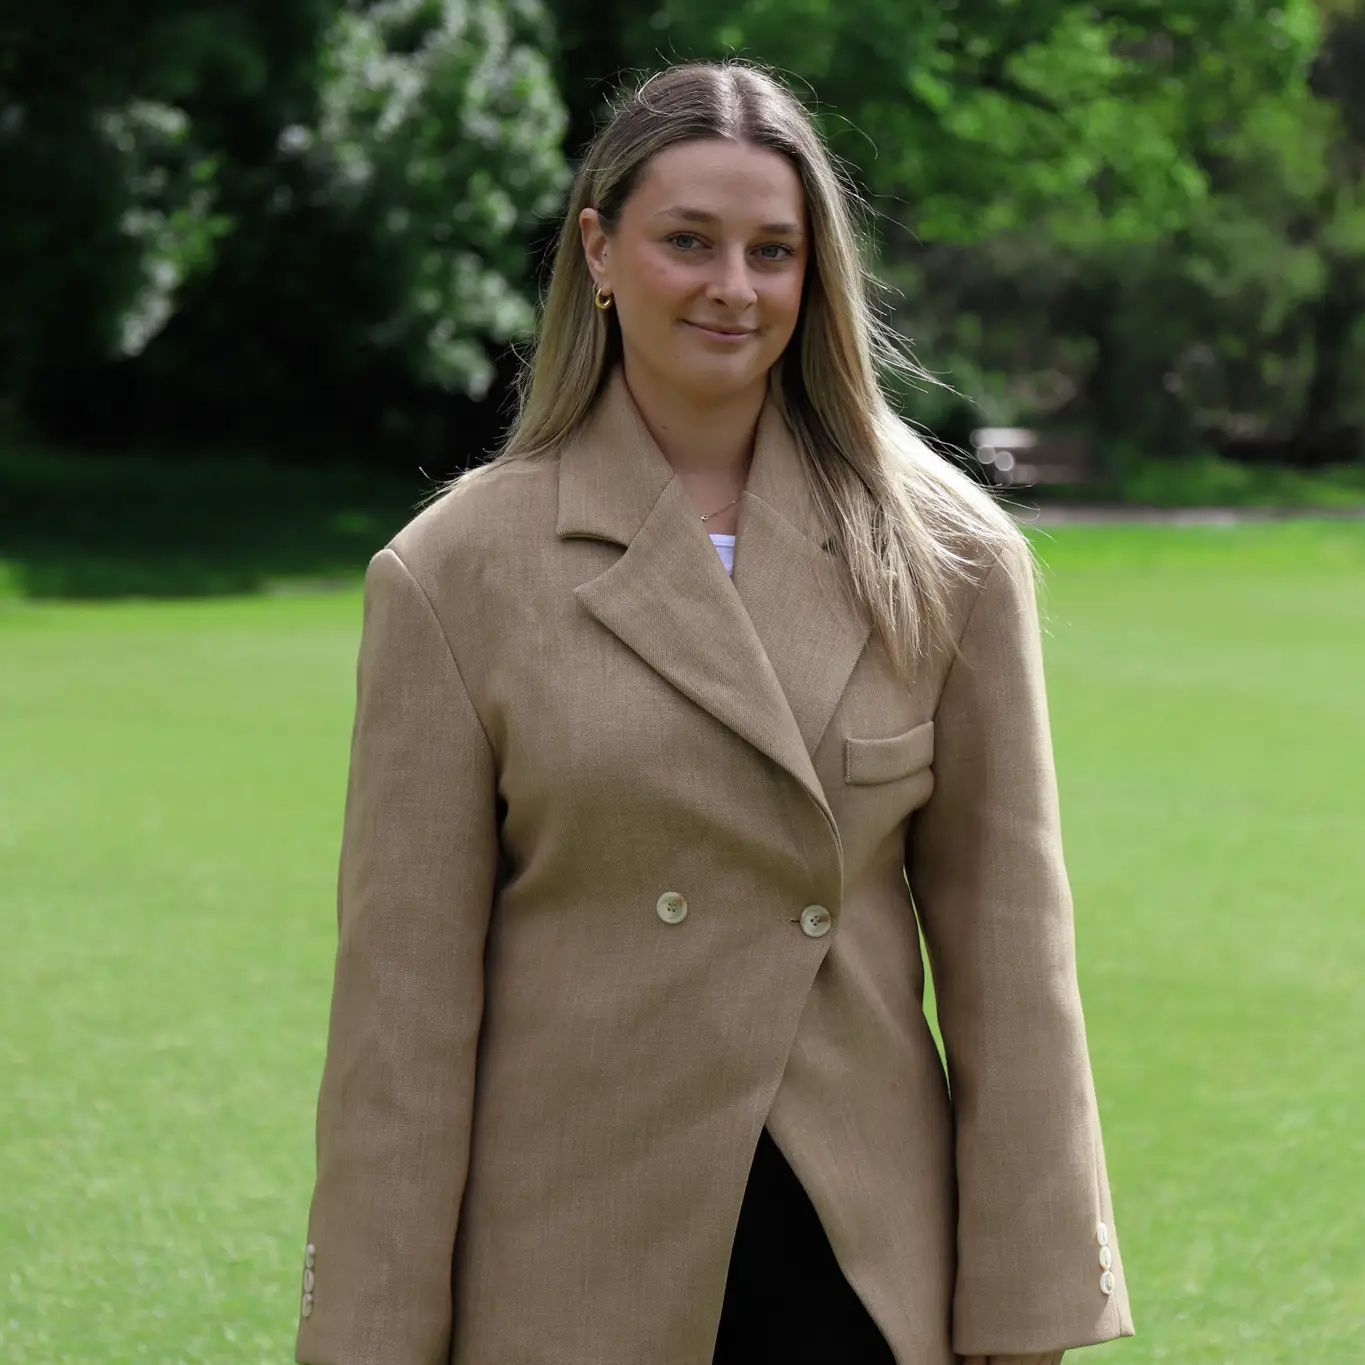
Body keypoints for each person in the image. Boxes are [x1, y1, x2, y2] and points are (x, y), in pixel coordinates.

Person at [293, 59, 1134, 1365]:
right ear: (601, 251)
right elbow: (399, 1030)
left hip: (861, 1269)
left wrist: (1025, 1318)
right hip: (568, 1271)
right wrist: (370, 1338)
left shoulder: (951, 560)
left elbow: (1015, 977)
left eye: (773, 250)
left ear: (816, 276)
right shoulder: (454, 574)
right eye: (689, 241)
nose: (733, 288)